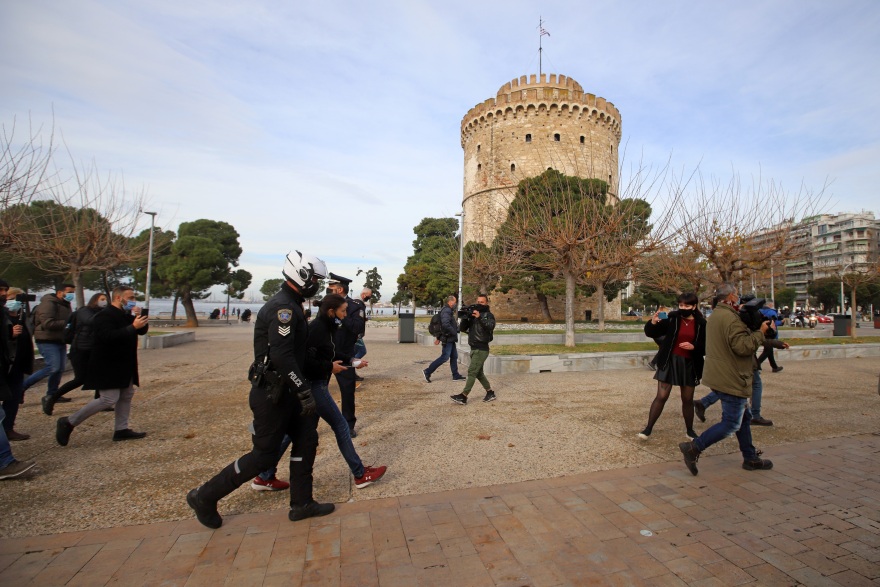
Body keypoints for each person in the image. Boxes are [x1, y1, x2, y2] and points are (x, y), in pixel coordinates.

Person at [187, 251, 329, 529]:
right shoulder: (282, 308)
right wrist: (303, 390)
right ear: (299, 275)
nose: (316, 283)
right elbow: (282, 356)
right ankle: (204, 496)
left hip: (289, 392)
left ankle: (302, 503)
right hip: (273, 394)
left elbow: (297, 354)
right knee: (263, 455)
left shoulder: (294, 303)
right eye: (313, 278)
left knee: (306, 440)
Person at [679, 283, 773, 476]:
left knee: (744, 418)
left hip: (720, 374)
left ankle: (750, 458)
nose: (738, 298)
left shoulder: (715, 316)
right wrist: (760, 332)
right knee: (731, 423)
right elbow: (743, 347)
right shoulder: (731, 319)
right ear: (730, 297)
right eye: (736, 295)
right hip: (732, 376)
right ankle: (694, 448)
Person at [55, 286, 149, 446]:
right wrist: (132, 327)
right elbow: (107, 336)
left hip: (125, 363)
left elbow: (140, 332)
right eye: (131, 297)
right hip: (107, 363)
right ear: (119, 298)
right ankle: (69, 421)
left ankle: (121, 429)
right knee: (107, 398)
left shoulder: (126, 315)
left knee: (126, 394)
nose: (133, 300)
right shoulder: (104, 316)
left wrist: (141, 317)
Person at [638, 293, 706, 441]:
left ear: (694, 306)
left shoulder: (701, 323)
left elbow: (706, 345)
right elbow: (651, 332)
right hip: (669, 361)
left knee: (687, 399)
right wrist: (654, 322)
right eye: (681, 305)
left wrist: (693, 346)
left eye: (687, 306)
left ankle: (689, 430)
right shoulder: (672, 318)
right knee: (661, 396)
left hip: (689, 364)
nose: (683, 308)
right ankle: (648, 428)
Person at [695, 334, 789, 427]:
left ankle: (703, 403)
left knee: (731, 385)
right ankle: (755, 415)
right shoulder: (742, 324)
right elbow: (757, 338)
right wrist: (777, 343)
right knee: (755, 385)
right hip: (746, 360)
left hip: (734, 359)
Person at [42, 292, 108, 416]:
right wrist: (106, 315)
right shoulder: (84, 311)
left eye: (106, 300)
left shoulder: (101, 313)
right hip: (80, 350)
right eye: (102, 299)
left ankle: (100, 402)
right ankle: (51, 398)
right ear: (95, 300)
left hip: (94, 349)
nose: (105, 302)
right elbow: (90, 321)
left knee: (99, 376)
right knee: (80, 379)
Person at [0, 283, 35, 478]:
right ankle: (5, 462)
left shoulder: (16, 315)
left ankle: (5, 458)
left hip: (13, 364)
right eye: (1, 292)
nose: (5, 296)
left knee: (10, 401)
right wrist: (8, 333)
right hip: (6, 366)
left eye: (6, 292)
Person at [21, 284, 75, 404]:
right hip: (47, 340)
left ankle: (52, 394)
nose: (72, 295)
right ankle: (22, 387)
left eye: (73, 292)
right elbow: (47, 323)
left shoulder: (65, 304)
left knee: (59, 369)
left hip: (59, 340)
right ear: (60, 293)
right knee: (53, 367)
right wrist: (68, 324)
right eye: (70, 292)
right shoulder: (48, 304)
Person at [326, 273, 366, 436]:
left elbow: (358, 328)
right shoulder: (326, 305)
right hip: (325, 353)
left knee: (348, 392)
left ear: (340, 289)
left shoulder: (355, 306)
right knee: (317, 390)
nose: (328, 292)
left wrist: (341, 315)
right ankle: (310, 424)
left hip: (345, 355)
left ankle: (348, 424)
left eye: (331, 289)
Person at [450, 294, 496, 405]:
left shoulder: (488, 315)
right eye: (478, 301)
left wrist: (479, 317)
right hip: (473, 347)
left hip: (482, 348)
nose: (479, 304)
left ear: (486, 303)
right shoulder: (473, 315)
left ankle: (464, 396)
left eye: (482, 302)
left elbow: (490, 327)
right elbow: (462, 329)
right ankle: (490, 393)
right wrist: (466, 317)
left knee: (471, 371)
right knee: (478, 373)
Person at [423, 295, 465, 382]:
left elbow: (444, 324)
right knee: (445, 357)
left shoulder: (447, 310)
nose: (455, 304)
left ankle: (455, 375)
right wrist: (453, 331)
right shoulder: (447, 311)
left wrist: (439, 337)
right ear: (450, 302)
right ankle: (428, 371)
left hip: (449, 338)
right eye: (454, 302)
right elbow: (445, 324)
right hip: (448, 337)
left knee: (454, 356)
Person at [756, 301, 783, 373]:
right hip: (770, 333)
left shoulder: (758, 311)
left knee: (769, 351)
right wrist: (781, 322)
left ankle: (774, 367)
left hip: (762, 331)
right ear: (770, 305)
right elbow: (774, 322)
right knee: (767, 350)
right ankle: (756, 365)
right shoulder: (772, 312)